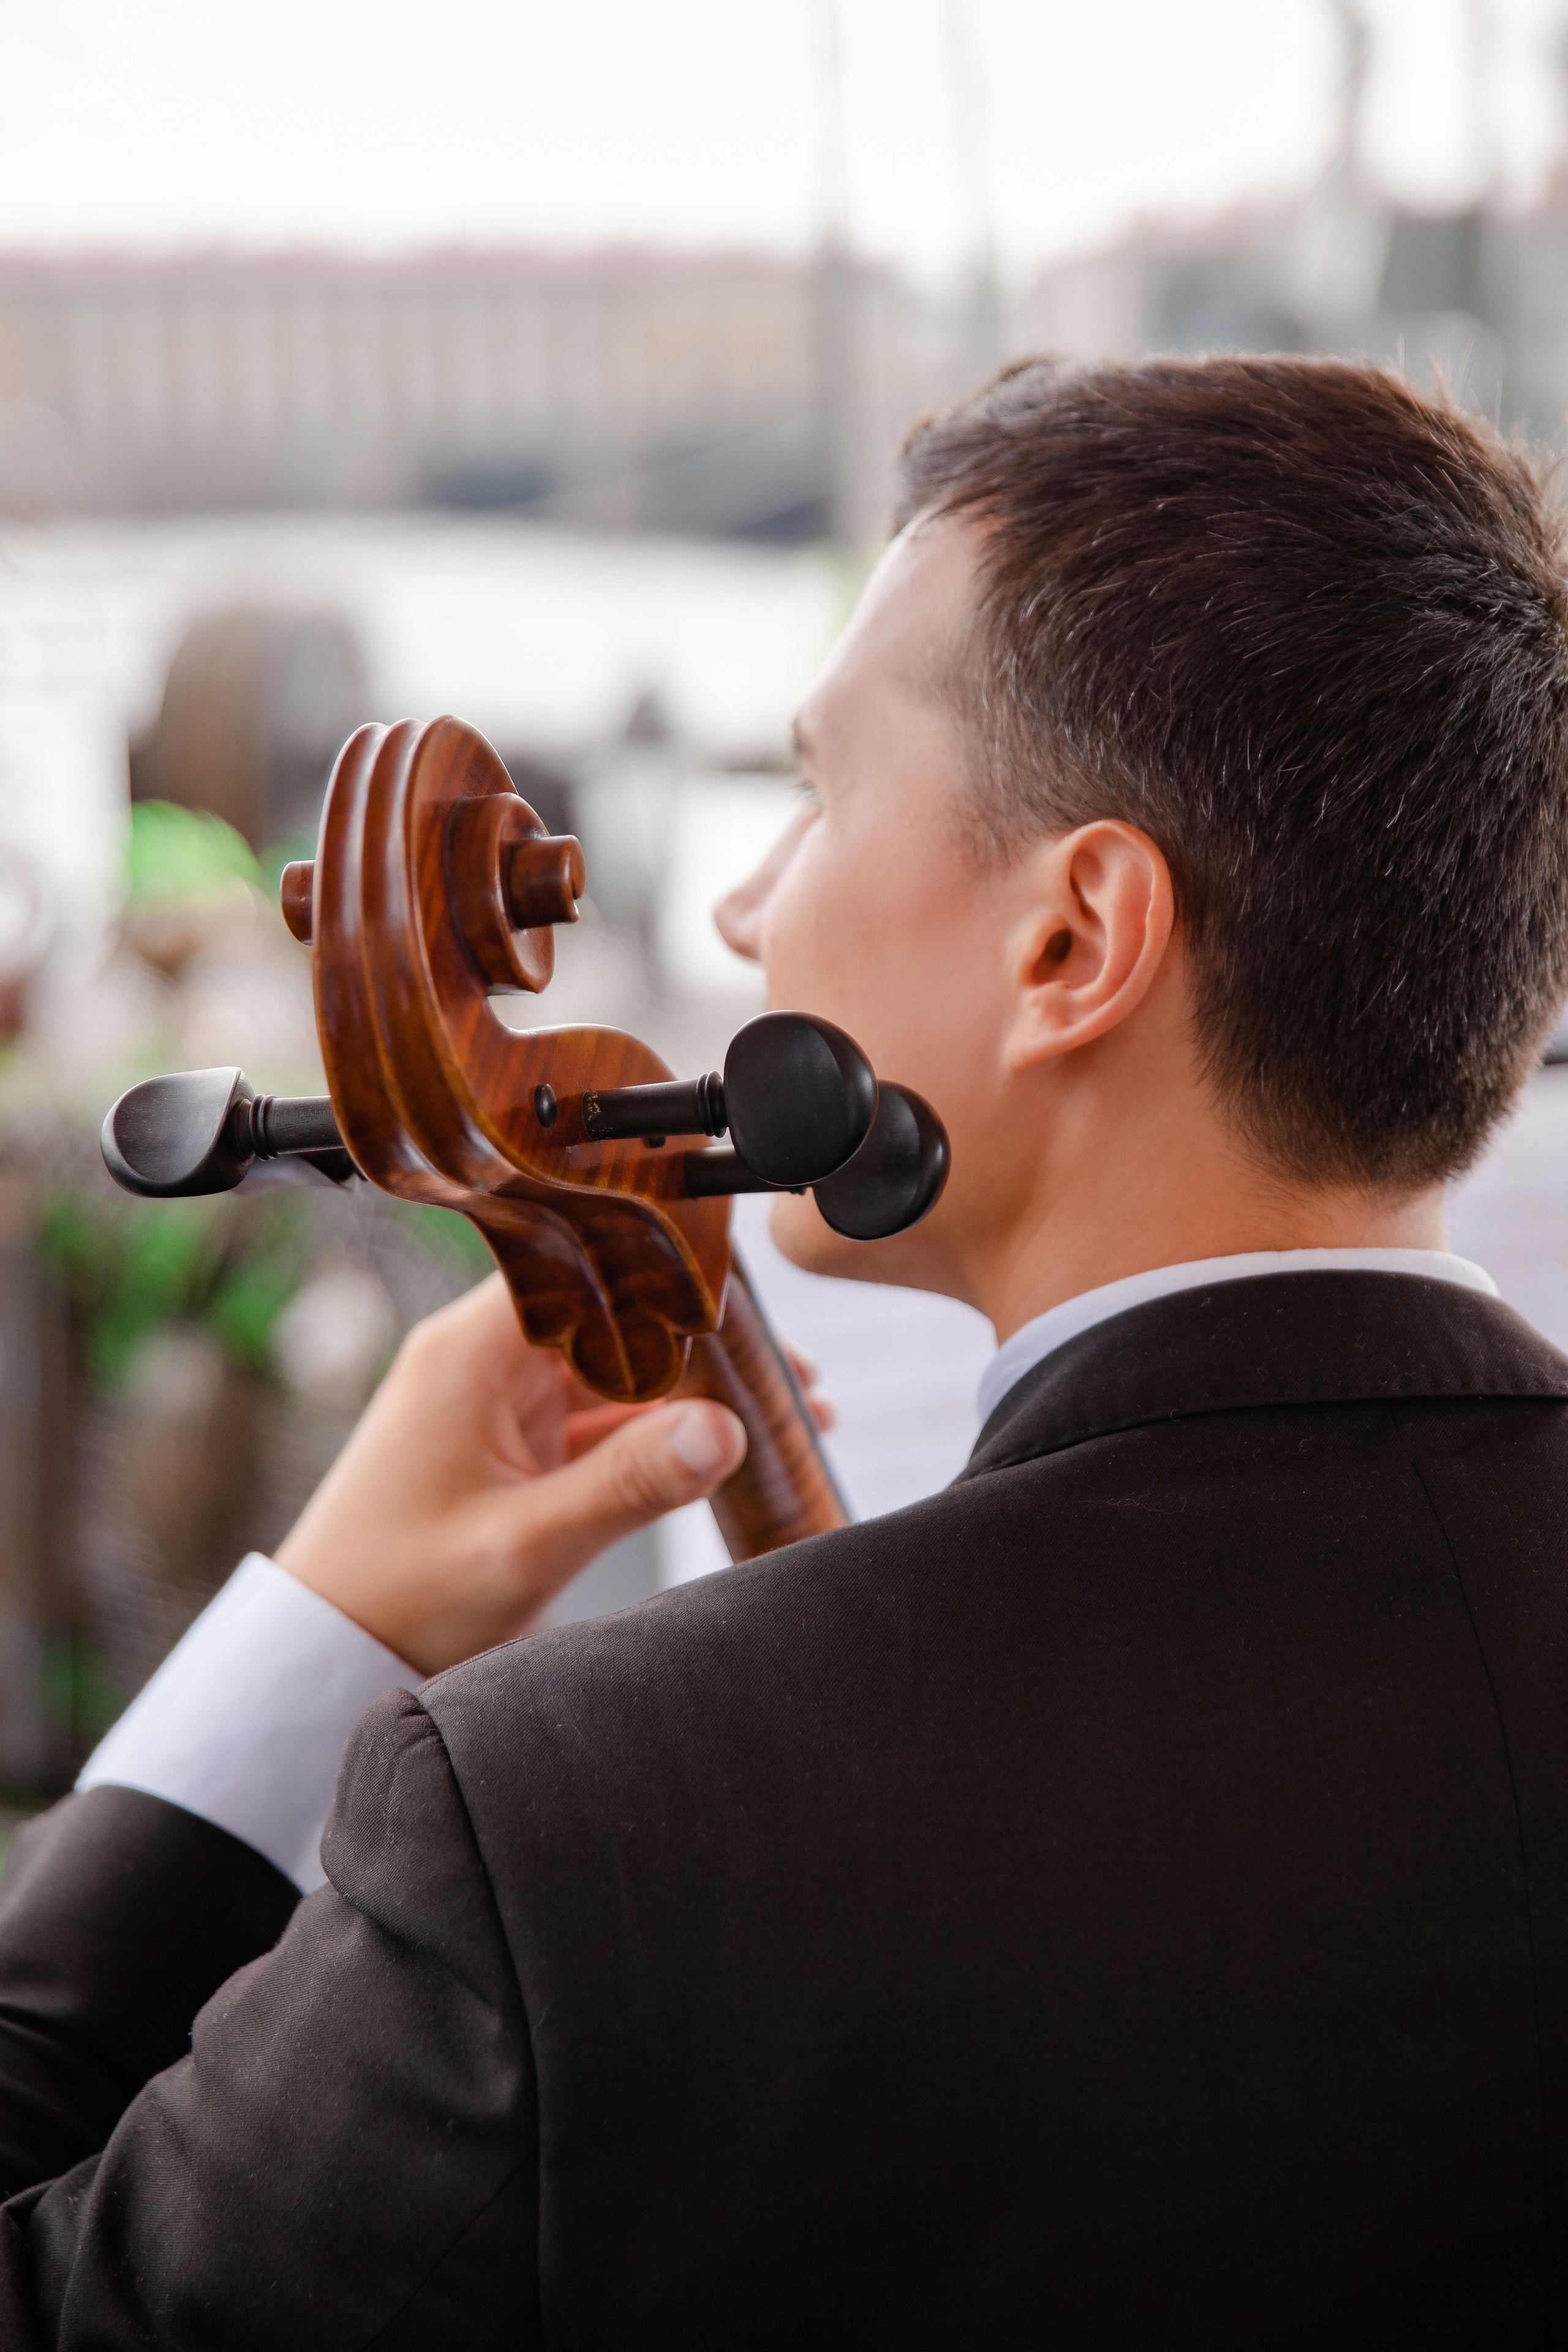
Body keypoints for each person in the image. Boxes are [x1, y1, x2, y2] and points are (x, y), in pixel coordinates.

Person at [3, 353, 1568, 2345]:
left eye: (817, 793)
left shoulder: (575, 1841)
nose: (744, 907)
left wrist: (321, 1625)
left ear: (1073, 944)